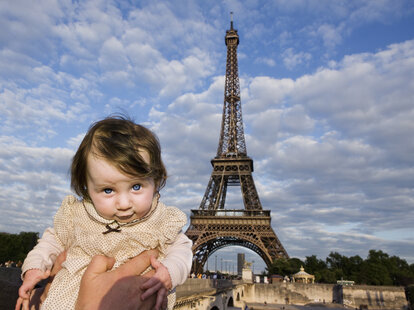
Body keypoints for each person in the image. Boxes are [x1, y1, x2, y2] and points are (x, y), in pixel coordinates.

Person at [15, 116, 193, 310]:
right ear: (86, 188)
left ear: (155, 181)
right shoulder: (77, 215)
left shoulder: (162, 219)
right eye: (108, 190)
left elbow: (182, 250)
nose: (124, 203)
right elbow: (52, 241)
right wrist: (33, 268)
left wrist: (169, 272)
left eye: (136, 186)